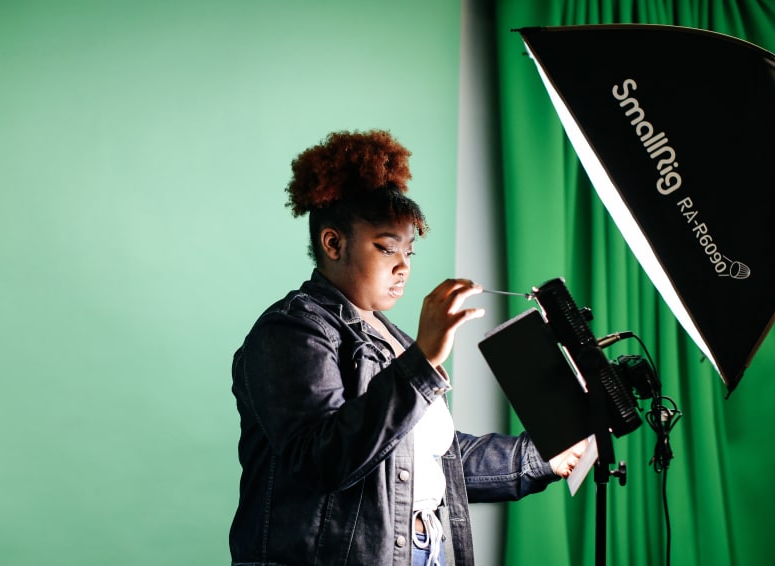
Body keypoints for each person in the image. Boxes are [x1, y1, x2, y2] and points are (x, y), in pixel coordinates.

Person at [230, 130, 584, 566]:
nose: (403, 267)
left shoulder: (394, 339)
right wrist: (422, 363)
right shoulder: (290, 330)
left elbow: (432, 461)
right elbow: (322, 461)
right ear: (333, 243)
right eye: (386, 249)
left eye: (410, 253)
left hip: (424, 553)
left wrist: (541, 456)